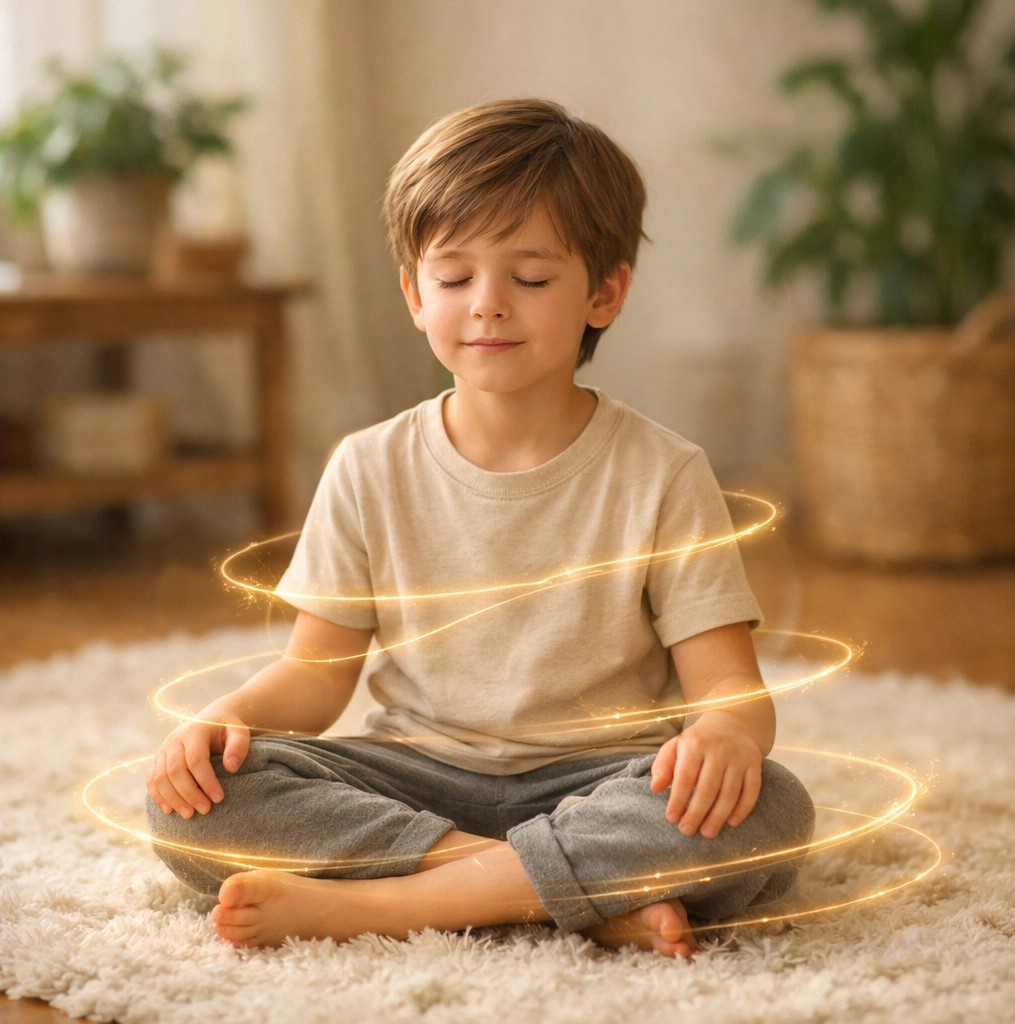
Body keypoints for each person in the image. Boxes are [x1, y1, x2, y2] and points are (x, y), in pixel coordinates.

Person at [146, 98, 814, 958]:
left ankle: (389, 906)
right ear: (414, 294)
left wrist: (724, 735)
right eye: (454, 278)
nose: (487, 306)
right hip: (415, 785)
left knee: (772, 806)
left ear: (604, 292)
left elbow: (729, 684)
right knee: (189, 799)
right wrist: (224, 718)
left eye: (530, 279)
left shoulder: (664, 471)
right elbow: (313, 678)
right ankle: (547, 891)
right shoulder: (366, 465)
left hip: (601, 781)